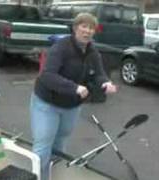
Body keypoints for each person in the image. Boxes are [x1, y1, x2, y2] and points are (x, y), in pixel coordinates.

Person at [30, 13, 117, 180]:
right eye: (84, 26)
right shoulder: (61, 47)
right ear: (75, 28)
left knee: (60, 143)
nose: (87, 31)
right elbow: (47, 75)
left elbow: (99, 74)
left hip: (71, 106)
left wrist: (105, 83)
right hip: (47, 103)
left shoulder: (93, 52)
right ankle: (37, 177)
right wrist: (74, 87)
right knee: (43, 145)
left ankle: (52, 174)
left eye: (91, 28)